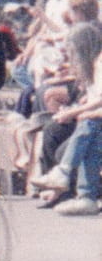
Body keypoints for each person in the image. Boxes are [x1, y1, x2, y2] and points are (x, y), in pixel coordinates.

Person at [31, 22, 102, 215]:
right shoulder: (91, 67)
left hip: (96, 123)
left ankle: (69, 182)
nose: (70, 57)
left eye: (72, 52)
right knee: (54, 129)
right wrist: (75, 109)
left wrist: (75, 112)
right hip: (94, 122)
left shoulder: (100, 62)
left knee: (87, 126)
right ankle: (58, 185)